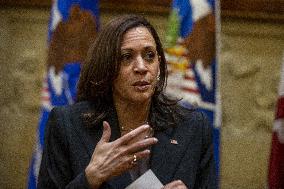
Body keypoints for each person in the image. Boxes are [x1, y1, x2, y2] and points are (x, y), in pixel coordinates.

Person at [37, 15, 217, 189]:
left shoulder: (193, 127)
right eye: (126, 57)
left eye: (149, 56)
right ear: (107, 67)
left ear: (159, 64)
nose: (141, 67)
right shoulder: (67, 125)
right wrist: (90, 177)